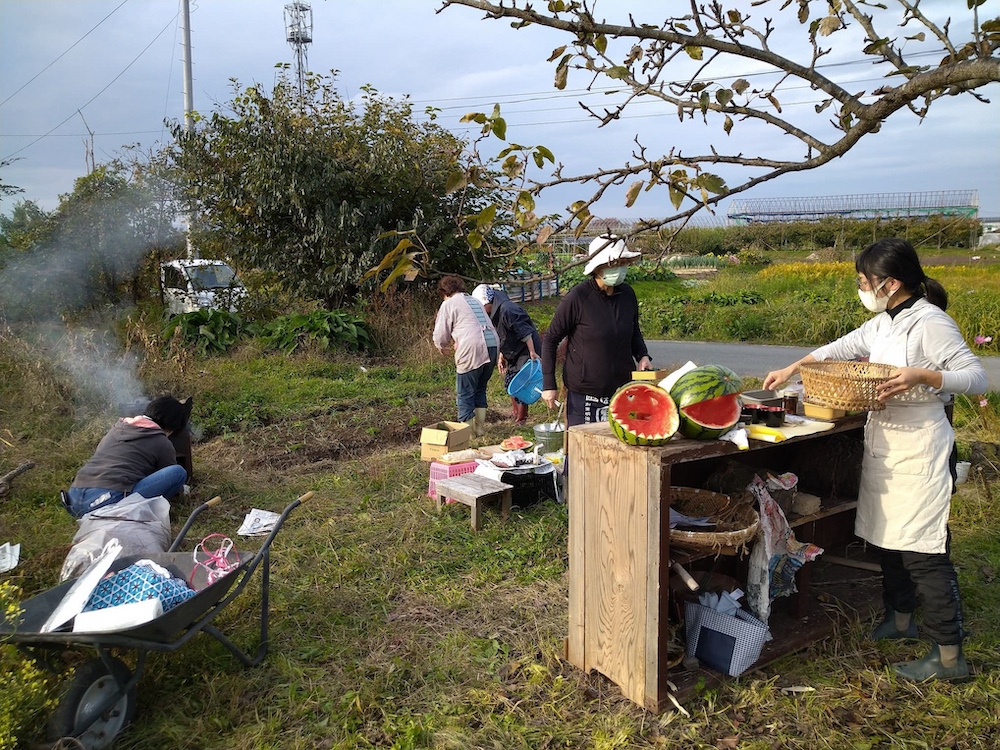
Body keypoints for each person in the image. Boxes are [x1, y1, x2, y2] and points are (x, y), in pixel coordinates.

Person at [763, 238, 987, 682]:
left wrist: (923, 374)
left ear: (891, 282)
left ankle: (949, 658)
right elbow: (838, 348)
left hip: (921, 446)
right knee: (887, 540)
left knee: (923, 549)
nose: (861, 287)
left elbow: (976, 376)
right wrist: (792, 368)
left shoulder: (930, 322)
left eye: (865, 280)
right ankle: (900, 620)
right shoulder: (885, 323)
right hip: (887, 443)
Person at [540, 235, 653, 427]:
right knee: (584, 453)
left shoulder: (627, 295)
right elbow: (550, 339)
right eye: (615, 263)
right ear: (598, 267)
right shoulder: (578, 298)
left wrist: (643, 355)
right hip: (584, 395)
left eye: (624, 263)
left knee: (617, 452)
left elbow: (633, 331)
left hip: (622, 391)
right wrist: (549, 384)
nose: (620, 268)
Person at [64, 395, 190, 518]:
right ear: (171, 426)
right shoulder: (161, 441)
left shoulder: (117, 428)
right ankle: (154, 511)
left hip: (74, 498)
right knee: (177, 473)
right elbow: (168, 477)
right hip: (104, 502)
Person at [432, 275, 499, 437]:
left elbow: (441, 333)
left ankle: (468, 435)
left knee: (465, 392)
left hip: (472, 347)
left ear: (445, 292)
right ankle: (480, 429)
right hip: (493, 343)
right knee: (480, 387)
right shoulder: (474, 300)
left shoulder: (448, 303)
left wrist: (440, 346)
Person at [471, 284, 542, 425]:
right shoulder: (494, 313)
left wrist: (533, 352)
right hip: (512, 350)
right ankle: (515, 412)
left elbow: (525, 332)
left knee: (521, 384)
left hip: (526, 349)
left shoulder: (509, 309)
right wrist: (501, 356)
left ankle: (521, 418)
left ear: (488, 302)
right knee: (509, 382)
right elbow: (502, 335)